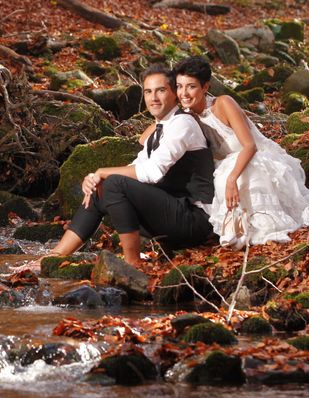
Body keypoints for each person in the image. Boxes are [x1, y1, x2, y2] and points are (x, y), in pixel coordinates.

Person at [48, 64, 215, 266]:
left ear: (174, 94)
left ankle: (131, 264)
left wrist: (104, 172)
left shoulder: (183, 124)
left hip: (194, 220)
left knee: (114, 183)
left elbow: (153, 172)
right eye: (148, 92)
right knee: (99, 188)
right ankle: (54, 258)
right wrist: (94, 177)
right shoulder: (160, 128)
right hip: (171, 212)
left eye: (161, 90)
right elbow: (136, 166)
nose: (153, 98)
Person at [173, 56, 309, 249]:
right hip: (225, 167)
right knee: (220, 179)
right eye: (179, 86)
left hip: (257, 158)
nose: (183, 93)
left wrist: (231, 179)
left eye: (191, 86)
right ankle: (237, 229)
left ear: (205, 87)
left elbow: (250, 146)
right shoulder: (187, 118)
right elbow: (147, 138)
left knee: (236, 177)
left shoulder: (223, 103)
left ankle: (262, 229)